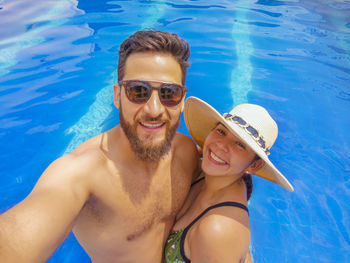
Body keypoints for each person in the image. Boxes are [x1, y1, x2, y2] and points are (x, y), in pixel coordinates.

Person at [0, 30, 200, 263]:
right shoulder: (82, 174)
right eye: (138, 91)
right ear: (117, 96)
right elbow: (20, 234)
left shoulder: (186, 153)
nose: (154, 109)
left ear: (183, 100)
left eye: (169, 93)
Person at [164, 97, 294, 263]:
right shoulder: (208, 174)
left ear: (254, 166)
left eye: (240, 144)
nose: (220, 146)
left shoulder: (217, 230)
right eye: (221, 131)